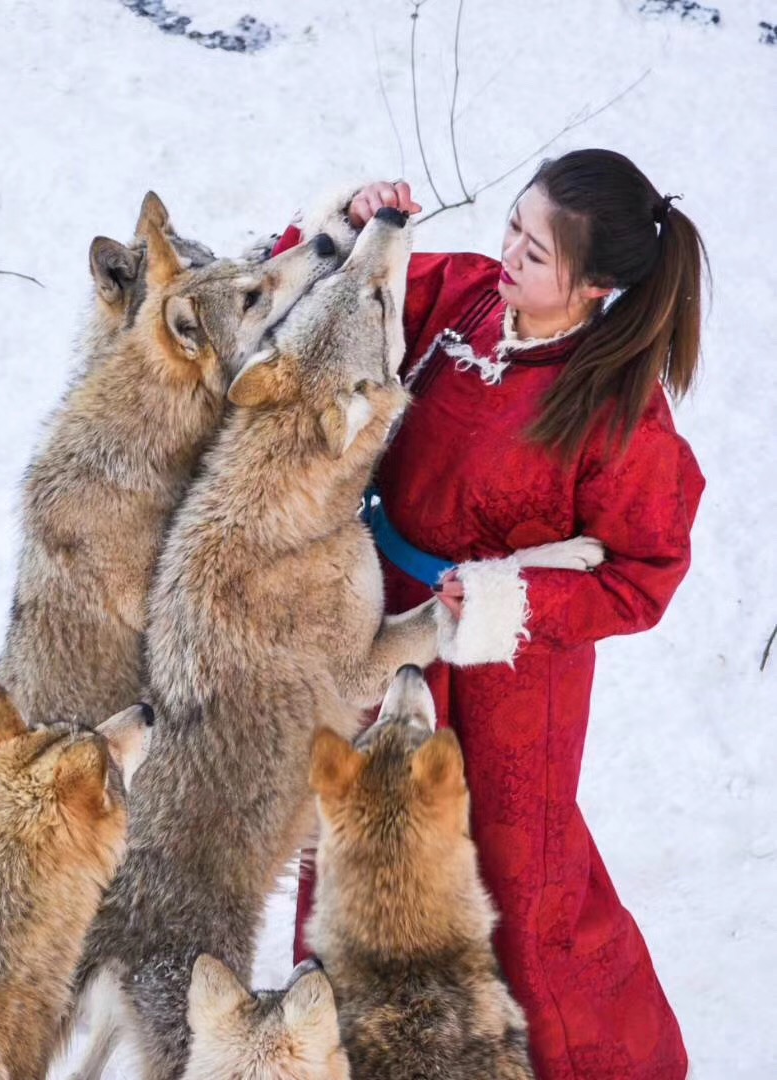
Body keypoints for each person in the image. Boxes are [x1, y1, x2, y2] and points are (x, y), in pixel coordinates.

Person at [273, 149, 708, 1080]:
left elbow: (647, 573)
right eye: (513, 223)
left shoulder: (619, 415)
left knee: (520, 886)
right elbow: (332, 309)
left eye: (538, 251)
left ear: (594, 285)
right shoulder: (464, 296)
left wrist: (514, 598)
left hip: (513, 677)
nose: (508, 251)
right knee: (354, 836)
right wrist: (355, 224)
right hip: (382, 630)